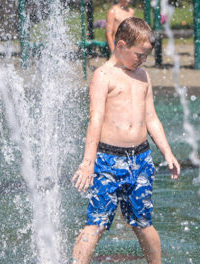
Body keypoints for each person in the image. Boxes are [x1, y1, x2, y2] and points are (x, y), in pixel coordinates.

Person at [71, 17, 180, 264]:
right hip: (108, 161)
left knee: (143, 222)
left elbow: (152, 118)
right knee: (96, 223)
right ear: (120, 45)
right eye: (138, 54)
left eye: (146, 55)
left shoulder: (143, 76)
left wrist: (167, 152)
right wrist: (88, 163)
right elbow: (95, 121)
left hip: (140, 160)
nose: (142, 60)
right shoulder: (104, 75)